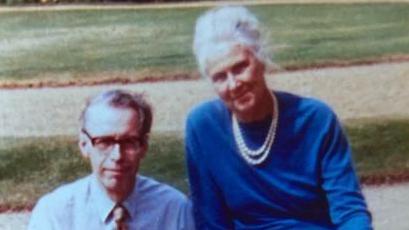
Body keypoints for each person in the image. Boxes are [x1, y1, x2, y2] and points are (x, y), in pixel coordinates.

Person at [185, 5, 372, 229]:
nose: (234, 84)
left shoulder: (315, 119)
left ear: (261, 60)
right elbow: (211, 221)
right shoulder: (203, 127)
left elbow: (349, 209)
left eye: (240, 67)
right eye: (219, 77)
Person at [28, 89, 194, 230]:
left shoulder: (173, 209)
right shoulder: (55, 213)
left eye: (129, 142)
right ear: (84, 145)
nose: (117, 156)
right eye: (104, 142)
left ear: (143, 146)